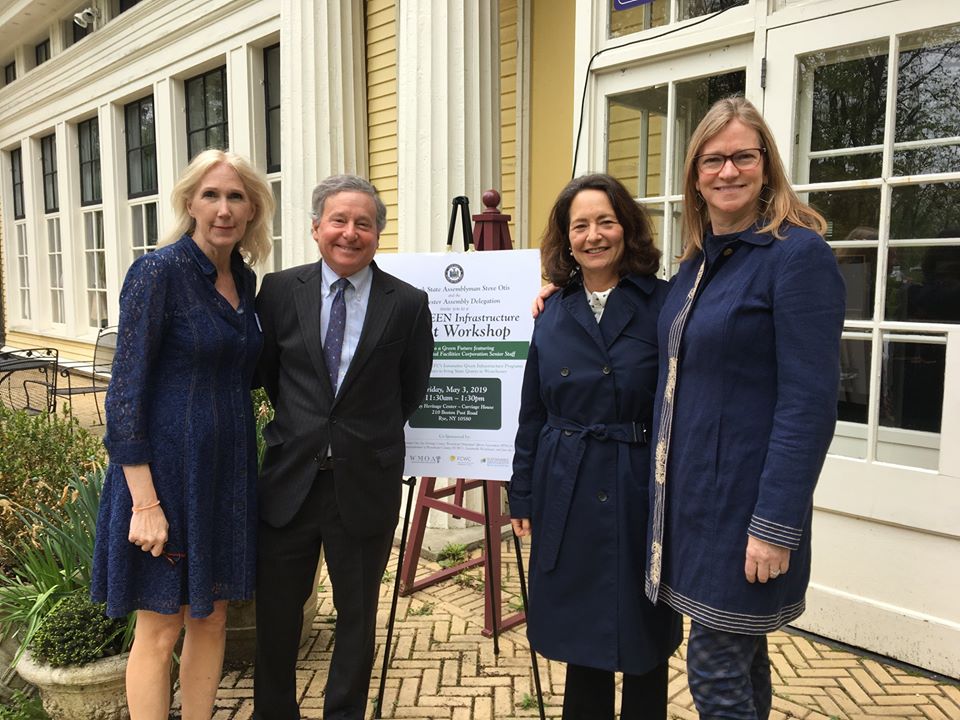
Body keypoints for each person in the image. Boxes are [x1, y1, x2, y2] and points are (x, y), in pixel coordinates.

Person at [645, 96, 845, 719]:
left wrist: (775, 524)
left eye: (743, 157)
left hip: (745, 509)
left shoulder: (796, 255)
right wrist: (560, 287)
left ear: (767, 167)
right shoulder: (695, 267)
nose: (728, 171)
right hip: (692, 505)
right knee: (738, 657)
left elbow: (809, 403)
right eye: (713, 159)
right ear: (695, 174)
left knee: (715, 670)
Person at [92, 149, 274, 719]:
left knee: (212, 616)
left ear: (252, 211)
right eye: (212, 195)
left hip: (225, 474)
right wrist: (144, 503)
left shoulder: (244, 281)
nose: (224, 209)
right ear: (189, 202)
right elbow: (124, 396)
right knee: (160, 625)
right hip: (165, 476)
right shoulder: (158, 272)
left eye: (236, 197)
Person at [252, 175, 434, 720]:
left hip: (364, 482)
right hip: (290, 481)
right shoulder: (281, 291)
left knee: (356, 616)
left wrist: (356, 436)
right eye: (339, 220)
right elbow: (269, 375)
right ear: (315, 228)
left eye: (364, 223)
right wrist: (310, 427)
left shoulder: (407, 303)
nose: (350, 233)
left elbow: (411, 390)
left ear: (378, 232)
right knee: (278, 615)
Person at [510, 174, 682, 720]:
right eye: (579, 225)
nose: (593, 235)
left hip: (640, 483)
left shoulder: (665, 302)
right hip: (569, 484)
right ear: (565, 239)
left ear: (627, 229)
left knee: (643, 636)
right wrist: (522, 494)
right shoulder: (552, 310)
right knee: (582, 636)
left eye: (605, 221)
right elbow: (532, 410)